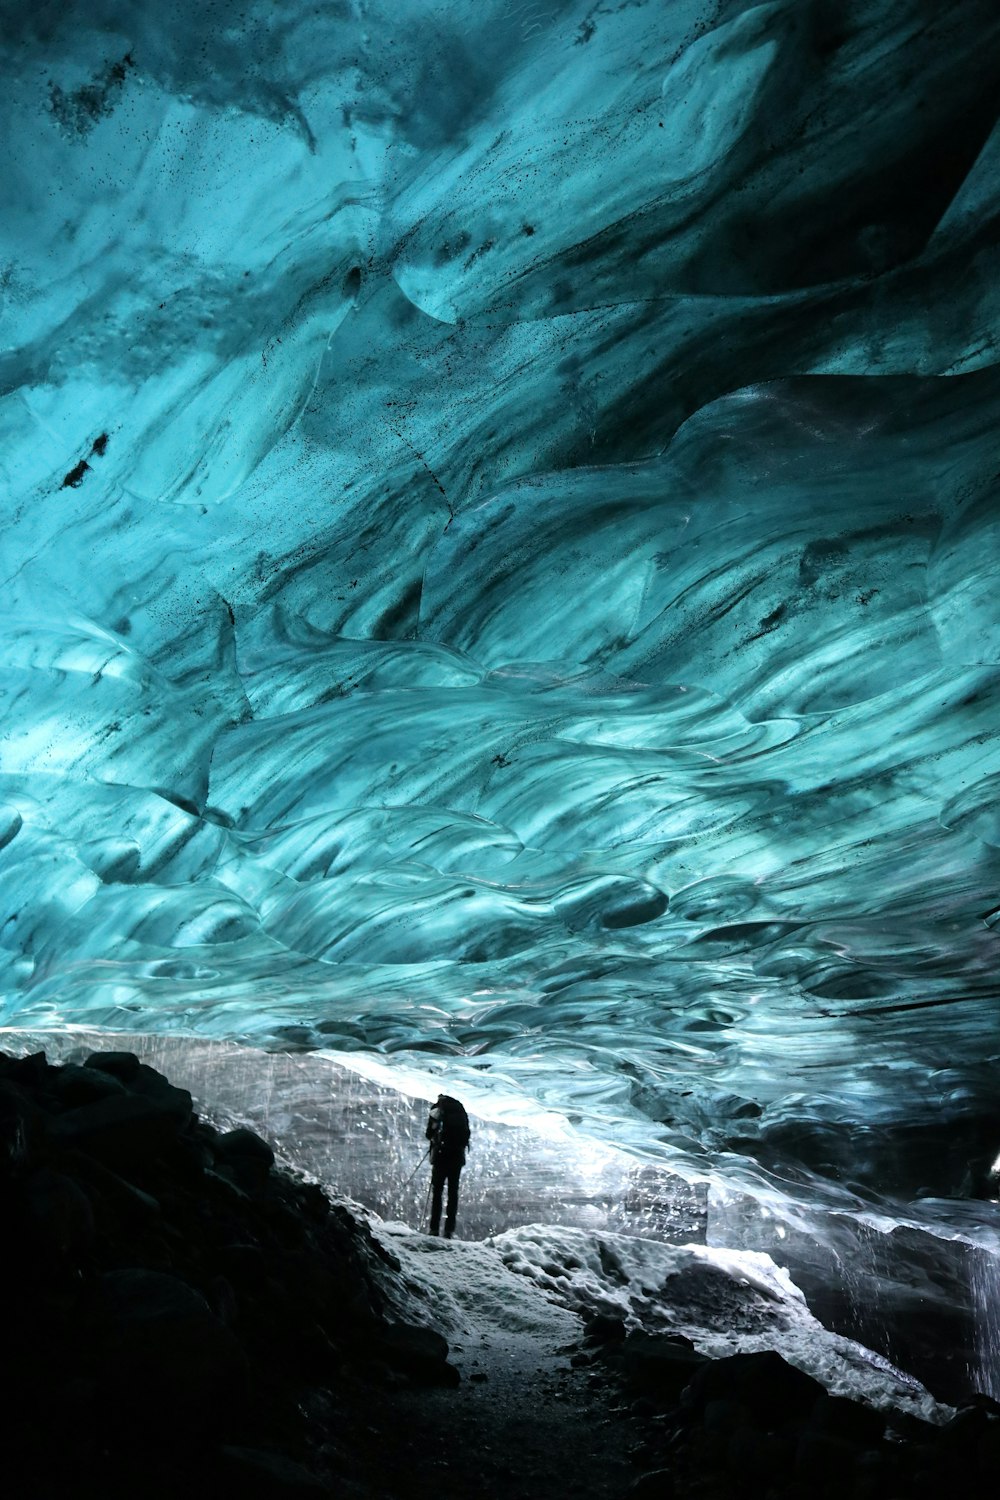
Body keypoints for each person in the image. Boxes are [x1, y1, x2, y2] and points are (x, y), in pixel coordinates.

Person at [425, 1093, 470, 1238]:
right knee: (453, 1193)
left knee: (437, 1193)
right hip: (456, 1157)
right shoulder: (460, 1109)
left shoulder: (437, 1109)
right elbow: (466, 1134)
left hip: (440, 1156)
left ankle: (434, 1228)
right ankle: (449, 1230)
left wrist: (434, 1138)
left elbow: (428, 1133)